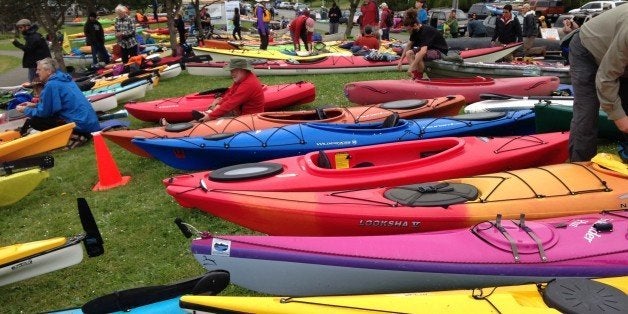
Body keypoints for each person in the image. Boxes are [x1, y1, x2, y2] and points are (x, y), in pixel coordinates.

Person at [567, 5, 628, 162]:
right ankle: (580, 167)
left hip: (618, 56)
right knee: (587, 112)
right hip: (587, 50)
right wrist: (619, 118)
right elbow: (606, 77)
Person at [15, 58, 100, 146]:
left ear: (48, 71)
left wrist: (25, 110)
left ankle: (76, 136)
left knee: (35, 121)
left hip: (81, 125)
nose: (36, 72)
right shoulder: (65, 79)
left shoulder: (51, 85)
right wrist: (34, 105)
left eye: (39, 69)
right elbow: (54, 105)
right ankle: (79, 134)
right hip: (89, 123)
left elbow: (44, 113)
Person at [192, 58, 264, 122]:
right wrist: (219, 104)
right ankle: (208, 113)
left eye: (234, 71)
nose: (231, 73)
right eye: (231, 71)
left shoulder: (248, 84)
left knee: (210, 120)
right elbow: (230, 94)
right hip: (241, 113)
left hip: (250, 118)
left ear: (243, 70)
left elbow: (231, 102)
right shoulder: (242, 79)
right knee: (213, 112)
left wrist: (210, 117)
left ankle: (207, 115)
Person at [397, 9, 448, 80]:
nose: (408, 32)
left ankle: (418, 77)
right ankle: (415, 76)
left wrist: (411, 67)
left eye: (409, 30)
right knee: (409, 53)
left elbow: (423, 51)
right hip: (430, 49)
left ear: (415, 25)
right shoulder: (414, 31)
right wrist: (401, 60)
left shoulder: (425, 31)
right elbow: (408, 45)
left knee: (418, 54)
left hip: (440, 51)